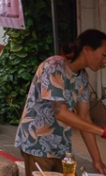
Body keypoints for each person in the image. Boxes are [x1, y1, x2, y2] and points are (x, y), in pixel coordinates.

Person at [15, 29, 106, 174]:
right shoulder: (54, 66)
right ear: (87, 49)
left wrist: (96, 159)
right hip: (37, 145)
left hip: (61, 147)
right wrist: (102, 131)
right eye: (103, 55)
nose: (104, 61)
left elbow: (84, 117)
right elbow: (60, 112)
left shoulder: (82, 77)